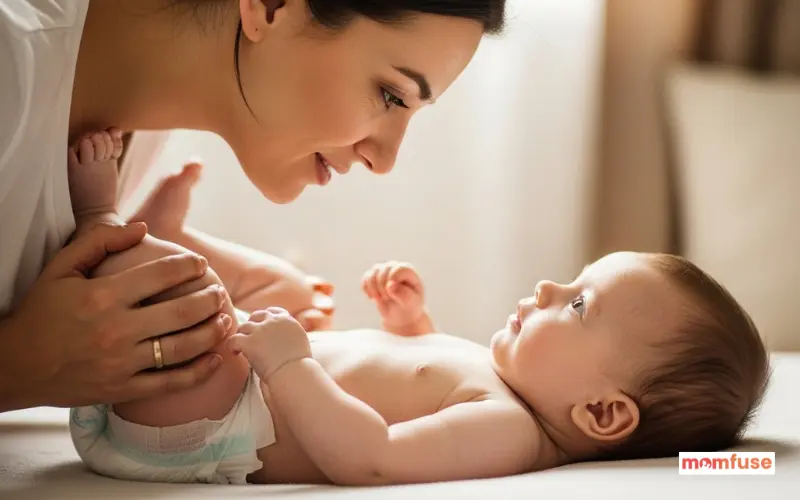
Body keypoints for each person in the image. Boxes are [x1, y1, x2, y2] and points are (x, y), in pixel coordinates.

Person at [68, 132, 770, 485]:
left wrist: (290, 367)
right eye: (571, 280)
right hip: (247, 381)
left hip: (203, 423)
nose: (549, 290)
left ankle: (102, 222)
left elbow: (371, 459)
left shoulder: (507, 430)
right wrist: (412, 329)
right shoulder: (509, 385)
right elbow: (420, 387)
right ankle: (172, 238)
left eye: (580, 305)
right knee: (286, 288)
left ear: (603, 413)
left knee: (198, 312)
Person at [0, 0, 506, 413]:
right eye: (391, 96)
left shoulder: (140, 129)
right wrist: (22, 365)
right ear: (270, 7)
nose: (384, 159)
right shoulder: (12, 61)